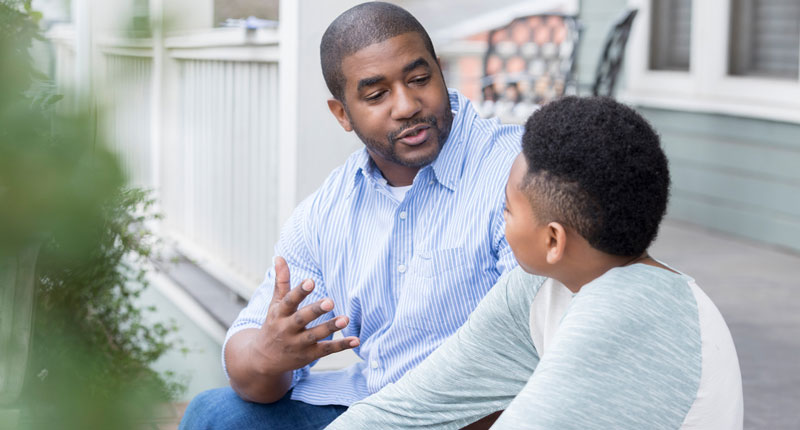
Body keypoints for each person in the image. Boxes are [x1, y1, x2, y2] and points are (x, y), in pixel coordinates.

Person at [179, 2, 522, 429]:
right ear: (342, 113)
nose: (406, 105)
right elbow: (250, 364)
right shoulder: (327, 213)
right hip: (370, 405)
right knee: (216, 414)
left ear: (440, 71)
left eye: (419, 79)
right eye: (376, 95)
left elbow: (532, 350)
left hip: (478, 414)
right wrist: (269, 355)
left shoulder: (518, 172)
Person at [327, 97, 744, 429]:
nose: (498, 214)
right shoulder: (541, 286)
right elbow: (414, 405)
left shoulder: (631, 313)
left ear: (552, 240)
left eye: (507, 208)